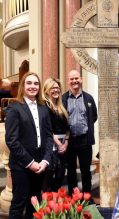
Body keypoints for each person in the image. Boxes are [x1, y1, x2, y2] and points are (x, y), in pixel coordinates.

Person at [5, 72, 53, 219]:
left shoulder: (43, 107)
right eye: (29, 83)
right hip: (21, 165)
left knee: (34, 203)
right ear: (23, 86)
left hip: (40, 164)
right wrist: (30, 163)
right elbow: (12, 140)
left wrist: (45, 160)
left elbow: (49, 136)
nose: (33, 86)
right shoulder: (15, 108)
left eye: (36, 83)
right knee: (19, 204)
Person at [62, 69, 97, 195]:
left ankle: (87, 196)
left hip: (84, 140)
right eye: (71, 79)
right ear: (68, 81)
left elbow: (94, 116)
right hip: (69, 141)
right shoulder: (63, 99)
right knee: (71, 171)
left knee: (85, 170)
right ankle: (73, 196)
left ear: (81, 79)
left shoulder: (88, 98)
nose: (74, 81)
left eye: (76, 78)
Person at [42, 78, 69, 191]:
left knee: (60, 176)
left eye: (57, 87)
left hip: (63, 145)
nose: (56, 90)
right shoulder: (44, 106)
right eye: (52, 88)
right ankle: (47, 205)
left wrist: (66, 143)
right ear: (47, 90)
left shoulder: (62, 106)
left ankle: (55, 206)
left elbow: (68, 127)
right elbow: (47, 128)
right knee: (48, 178)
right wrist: (58, 144)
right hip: (50, 145)